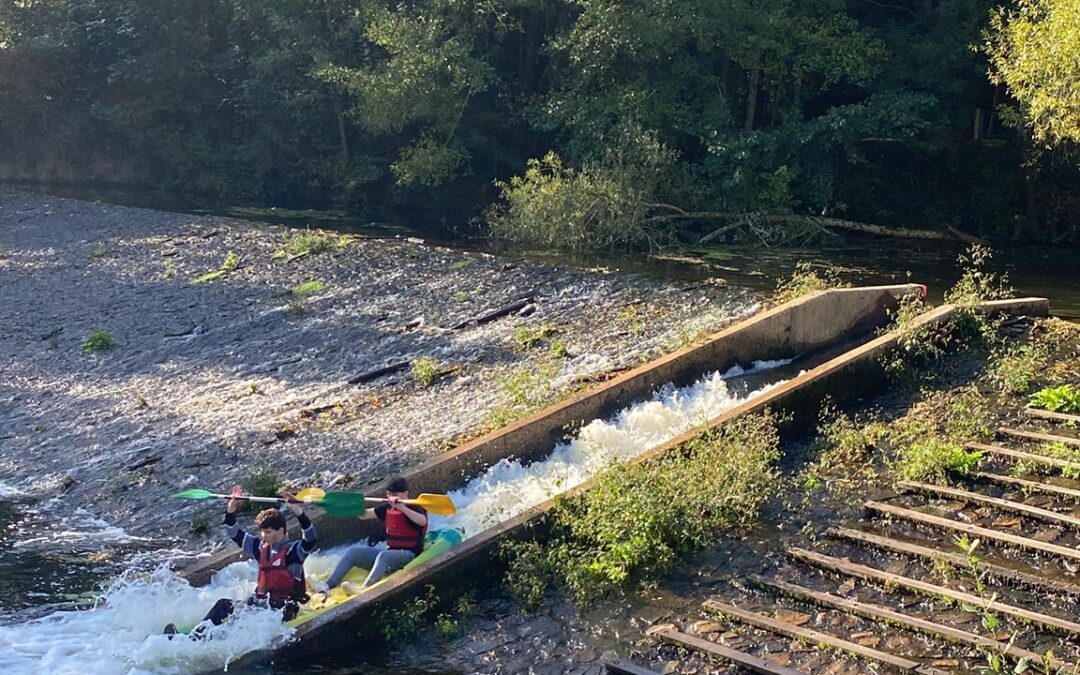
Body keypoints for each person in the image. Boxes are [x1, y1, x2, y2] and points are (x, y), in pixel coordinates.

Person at [164, 485, 316, 637]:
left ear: (282, 531)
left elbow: (310, 538)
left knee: (242, 620)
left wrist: (298, 512)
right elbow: (234, 533)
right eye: (262, 531)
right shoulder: (260, 548)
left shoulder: (293, 552)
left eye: (268, 532)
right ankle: (193, 638)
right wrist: (231, 510)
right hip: (261, 606)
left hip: (283, 611)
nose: (263, 535)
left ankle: (206, 638)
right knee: (224, 605)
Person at [311, 476, 427, 594]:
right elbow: (365, 515)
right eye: (388, 494)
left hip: (410, 555)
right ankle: (327, 585)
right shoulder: (388, 507)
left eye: (394, 494)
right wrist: (352, 506)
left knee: (383, 555)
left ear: (405, 493)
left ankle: (364, 589)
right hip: (391, 553)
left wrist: (402, 508)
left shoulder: (415, 506)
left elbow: (422, 521)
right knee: (354, 552)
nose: (391, 497)